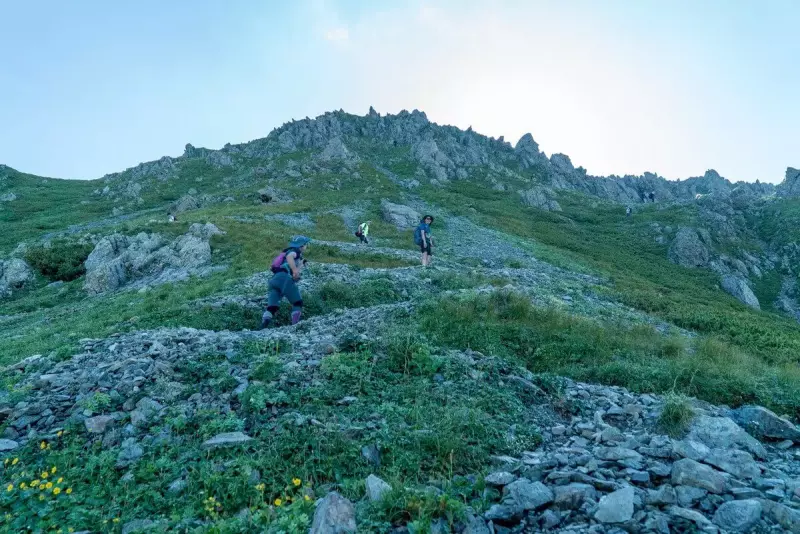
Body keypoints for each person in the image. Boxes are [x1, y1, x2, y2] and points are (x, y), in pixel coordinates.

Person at [261, 236, 311, 329]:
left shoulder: (287, 253)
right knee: (297, 303)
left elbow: (291, 269)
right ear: (301, 246)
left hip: (274, 280)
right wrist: (295, 270)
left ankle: (262, 327)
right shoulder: (294, 251)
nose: (307, 246)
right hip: (284, 279)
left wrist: (300, 265)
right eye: (306, 244)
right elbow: (290, 257)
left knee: (272, 307)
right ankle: (295, 326)